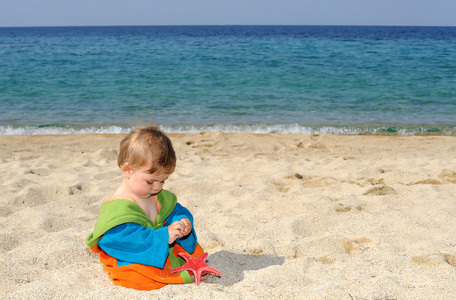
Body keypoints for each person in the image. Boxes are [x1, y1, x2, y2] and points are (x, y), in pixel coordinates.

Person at [86, 126, 204, 290]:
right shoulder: (118, 207)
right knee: (136, 274)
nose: (157, 187)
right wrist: (163, 237)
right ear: (128, 170)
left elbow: (175, 210)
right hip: (131, 252)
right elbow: (122, 240)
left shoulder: (158, 196)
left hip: (158, 245)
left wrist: (182, 222)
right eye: (150, 181)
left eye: (163, 181)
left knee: (195, 252)